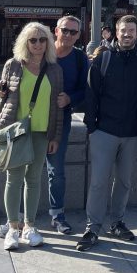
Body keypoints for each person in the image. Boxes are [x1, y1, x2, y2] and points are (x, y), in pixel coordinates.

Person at [77, 15, 137, 252]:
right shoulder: (104, 58)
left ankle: (117, 222)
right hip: (104, 131)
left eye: (131, 30)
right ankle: (93, 227)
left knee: (125, 182)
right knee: (98, 182)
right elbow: (91, 93)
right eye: (123, 30)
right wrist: (92, 127)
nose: (127, 34)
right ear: (115, 33)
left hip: (131, 132)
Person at [0, 22, 63, 251]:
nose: (38, 44)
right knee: (14, 179)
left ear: (48, 43)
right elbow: (2, 93)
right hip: (17, 131)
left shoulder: (54, 68)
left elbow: (57, 106)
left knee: (33, 180)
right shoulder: (13, 65)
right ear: (25, 42)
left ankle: (29, 226)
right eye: (33, 40)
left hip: (43, 132)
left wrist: (55, 136)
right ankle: (13, 227)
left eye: (42, 40)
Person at [49, 15, 89, 234]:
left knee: (56, 170)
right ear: (56, 30)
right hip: (33, 119)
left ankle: (57, 214)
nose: (68, 35)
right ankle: (17, 218)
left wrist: (70, 99)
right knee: (27, 167)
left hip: (60, 119)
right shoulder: (41, 51)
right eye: (65, 30)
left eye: (74, 32)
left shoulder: (80, 58)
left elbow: (86, 90)